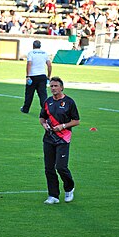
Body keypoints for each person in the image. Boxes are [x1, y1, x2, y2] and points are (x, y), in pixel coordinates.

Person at [39, 77, 80, 205]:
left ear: (61, 87)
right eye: (51, 86)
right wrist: (44, 125)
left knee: (61, 167)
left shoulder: (69, 102)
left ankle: (69, 188)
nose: (53, 88)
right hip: (49, 139)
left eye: (55, 86)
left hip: (63, 139)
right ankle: (53, 195)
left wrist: (62, 126)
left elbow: (76, 121)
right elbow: (42, 117)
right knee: (49, 168)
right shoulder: (48, 101)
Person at [20, 40, 52, 114]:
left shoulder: (31, 53)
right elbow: (49, 65)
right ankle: (46, 110)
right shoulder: (45, 53)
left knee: (29, 94)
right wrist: (49, 75)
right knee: (43, 94)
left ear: (33, 45)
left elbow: (29, 64)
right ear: (40, 46)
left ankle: (25, 109)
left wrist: (27, 75)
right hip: (42, 75)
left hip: (33, 76)